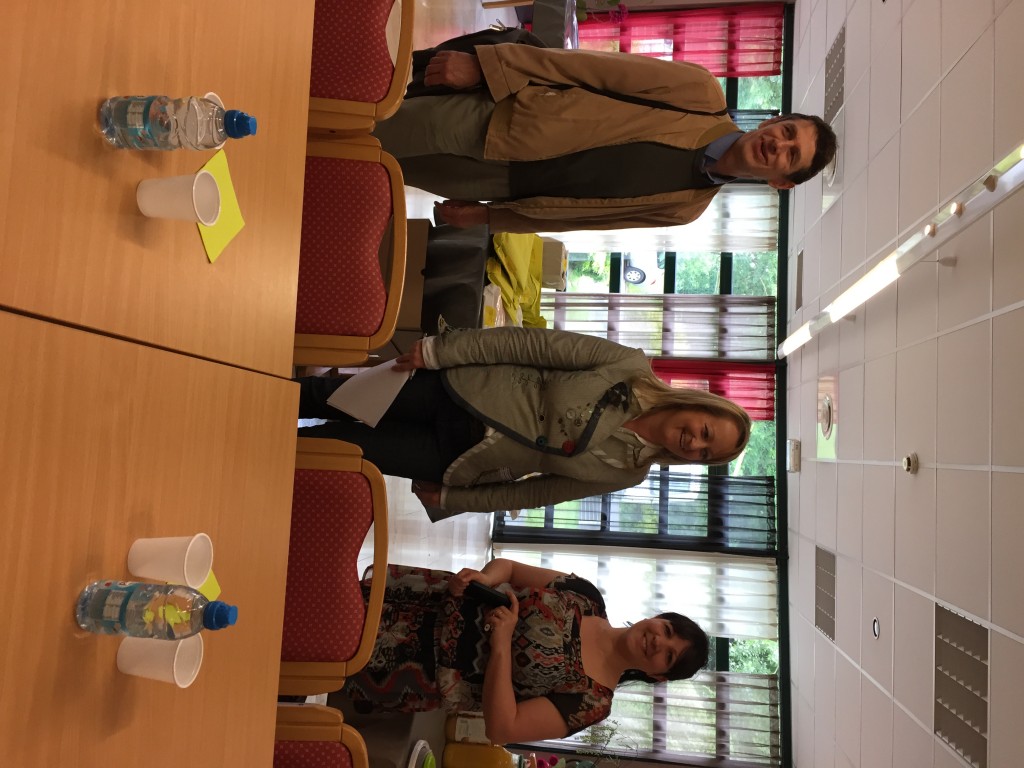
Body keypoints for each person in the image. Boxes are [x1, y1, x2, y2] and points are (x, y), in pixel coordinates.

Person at [372, 44, 838, 233]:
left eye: (790, 155)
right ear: (773, 121)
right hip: (503, 122)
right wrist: (489, 66)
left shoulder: (686, 209)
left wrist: (490, 219)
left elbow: (581, 221)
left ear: (781, 182)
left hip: (504, 187)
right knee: (374, 127)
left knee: (375, 164)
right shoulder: (700, 92)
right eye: (787, 132)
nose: (778, 145)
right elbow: (587, 67)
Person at [296, 327, 752, 517]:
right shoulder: (627, 365)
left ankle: (257, 444)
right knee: (324, 397)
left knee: (336, 449)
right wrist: (441, 351)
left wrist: (457, 499)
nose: (695, 444)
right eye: (706, 432)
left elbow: (536, 493)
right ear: (700, 406)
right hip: (455, 391)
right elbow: (530, 345)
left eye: (705, 454)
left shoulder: (628, 473)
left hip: (457, 459)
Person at [335, 557, 710, 744]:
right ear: (657, 618)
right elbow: (511, 569)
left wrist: (501, 645)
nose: (658, 641)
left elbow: (503, 727)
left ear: (658, 675)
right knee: (322, 592)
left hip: (411, 666)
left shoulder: (593, 701)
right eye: (667, 630)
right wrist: (486, 578)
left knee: (318, 650)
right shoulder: (587, 599)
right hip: (424, 597)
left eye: (668, 655)